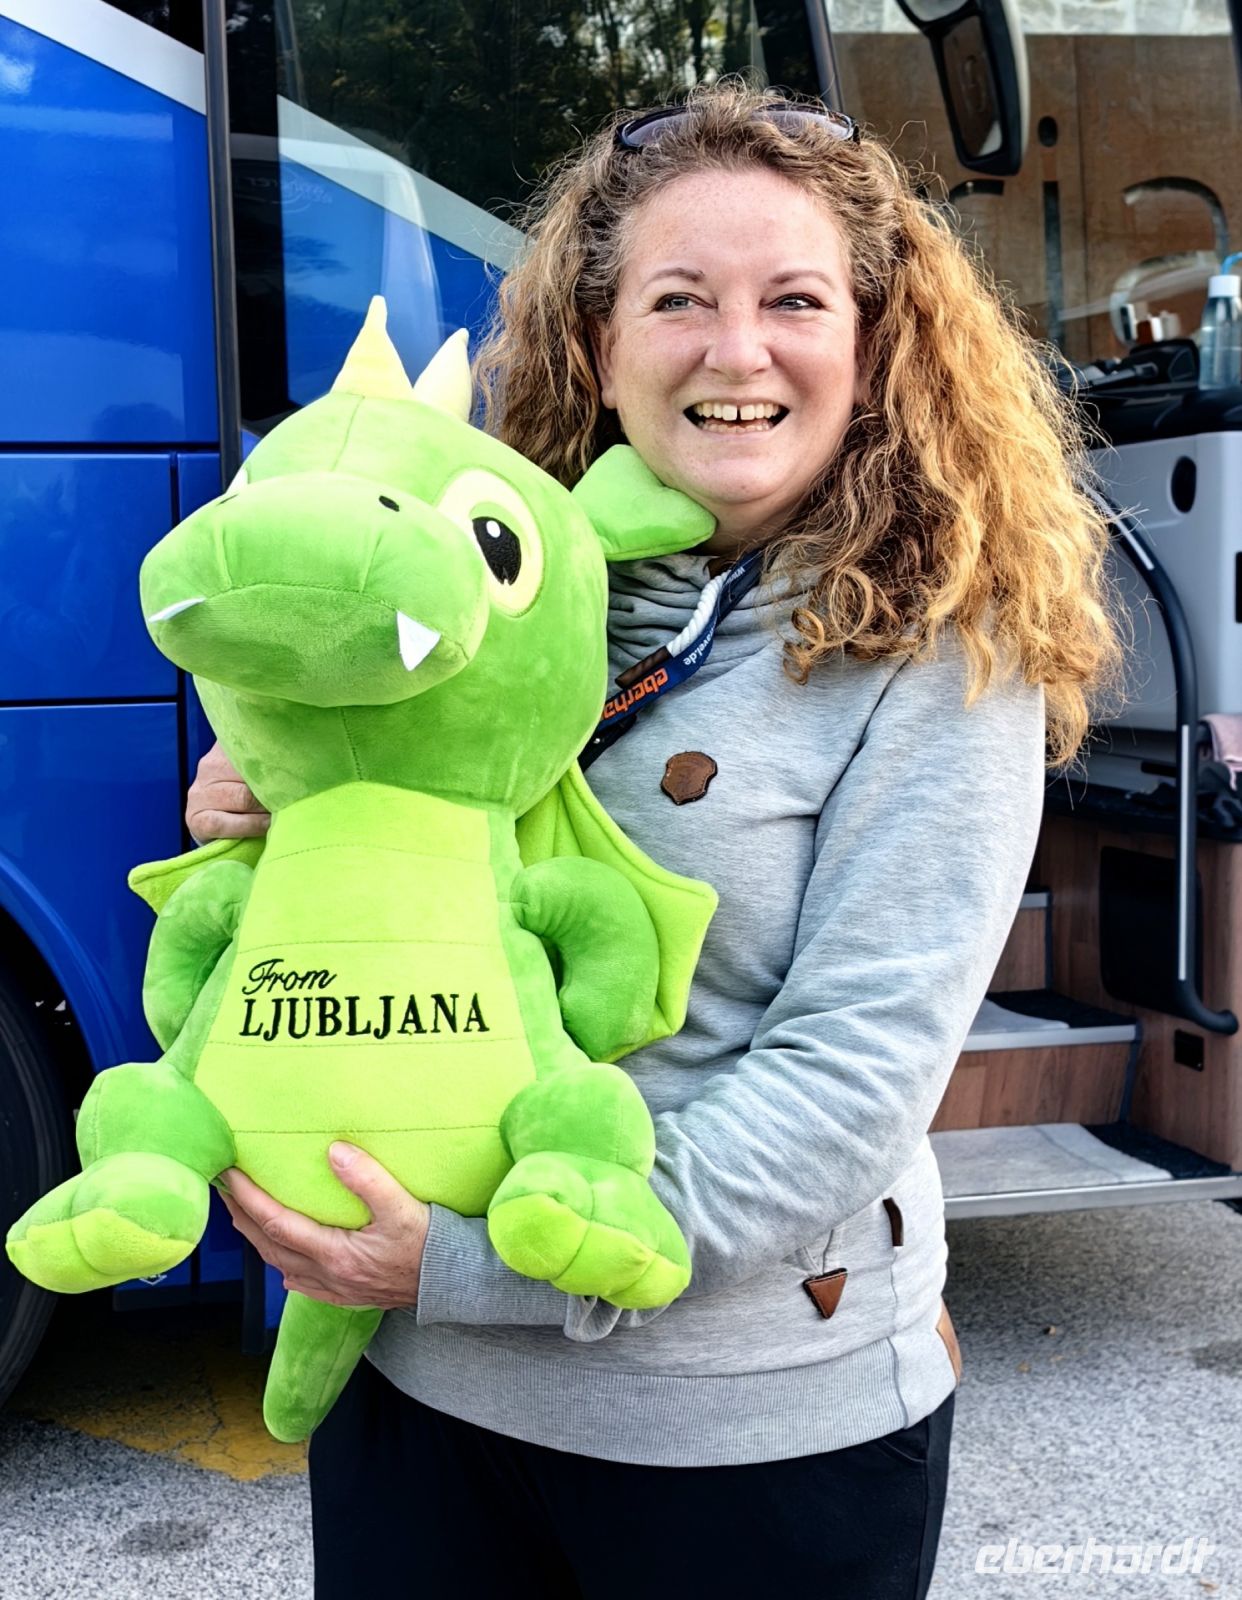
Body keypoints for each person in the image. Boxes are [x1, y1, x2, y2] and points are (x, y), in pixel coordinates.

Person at [197, 82, 1119, 1597]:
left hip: (739, 1437)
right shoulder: (501, 591)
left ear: (873, 343)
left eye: (794, 301)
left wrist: (464, 1265)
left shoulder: (945, 656)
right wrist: (274, 811)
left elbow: (848, 1079)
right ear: (596, 343)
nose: (735, 352)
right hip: (417, 1392)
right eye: (678, 299)